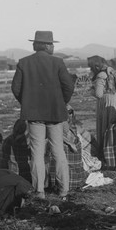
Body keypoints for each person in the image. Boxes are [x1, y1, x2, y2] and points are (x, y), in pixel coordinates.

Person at [11, 30, 75, 200]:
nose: (53, 46)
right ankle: (63, 190)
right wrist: (61, 103)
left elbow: (16, 89)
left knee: (36, 153)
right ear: (46, 45)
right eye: (52, 44)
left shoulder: (23, 63)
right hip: (56, 114)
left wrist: (28, 103)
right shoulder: (58, 62)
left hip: (34, 116)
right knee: (58, 151)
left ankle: (39, 191)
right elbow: (69, 87)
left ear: (35, 45)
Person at [87, 55, 116, 163]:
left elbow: (99, 94)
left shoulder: (101, 75)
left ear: (96, 65)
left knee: (105, 128)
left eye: (91, 67)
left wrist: (91, 91)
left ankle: (105, 154)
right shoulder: (111, 71)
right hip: (115, 100)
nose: (90, 69)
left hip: (105, 102)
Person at [0, 119, 32, 184]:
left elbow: (3, 162)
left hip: (14, 176)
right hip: (29, 176)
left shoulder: (8, 140)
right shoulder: (30, 142)